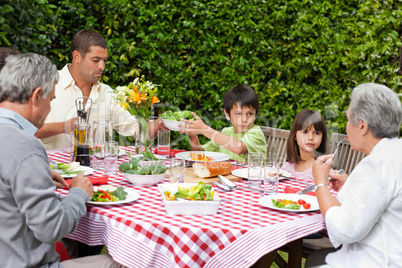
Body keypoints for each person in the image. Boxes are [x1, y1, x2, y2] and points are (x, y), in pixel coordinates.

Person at [0, 53, 124, 267]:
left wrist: (39, 174)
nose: (49, 109)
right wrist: (78, 193)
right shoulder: (26, 147)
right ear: (36, 96)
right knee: (127, 261)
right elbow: (51, 229)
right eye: (51, 100)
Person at [306, 83, 402, 267]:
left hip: (378, 261)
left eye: (349, 119)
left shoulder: (377, 164)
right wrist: (349, 186)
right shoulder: (395, 152)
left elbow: (345, 230)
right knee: (313, 259)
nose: (346, 125)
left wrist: (320, 183)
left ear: (363, 126)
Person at [36, 29, 166, 150]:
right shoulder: (47, 84)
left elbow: (135, 129)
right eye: (96, 60)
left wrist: (159, 124)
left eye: (104, 61)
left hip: (98, 171)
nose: (102, 67)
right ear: (77, 56)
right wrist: (63, 126)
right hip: (55, 170)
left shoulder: (106, 93)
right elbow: (21, 128)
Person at [180, 85, 267, 163]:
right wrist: (193, 137)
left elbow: (239, 148)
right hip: (229, 178)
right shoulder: (226, 132)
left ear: (255, 114)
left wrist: (204, 130)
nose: (244, 119)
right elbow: (200, 154)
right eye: (238, 114)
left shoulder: (256, 133)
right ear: (227, 114)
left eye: (249, 114)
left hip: (254, 179)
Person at [282, 109, 328, 183]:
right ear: (295, 136)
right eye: (305, 132)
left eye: (316, 133)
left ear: (322, 138)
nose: (310, 137)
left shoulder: (322, 169)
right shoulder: (287, 167)